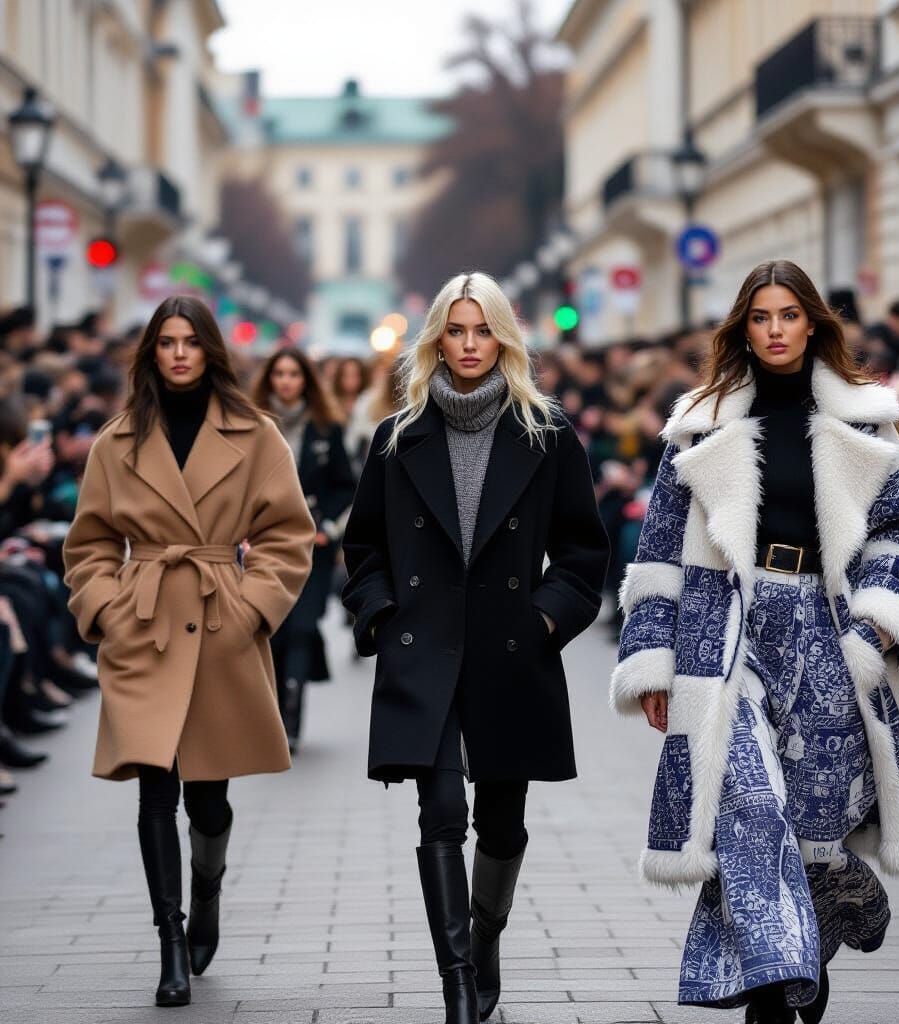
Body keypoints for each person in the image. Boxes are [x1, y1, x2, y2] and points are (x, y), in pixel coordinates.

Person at [610, 260, 899, 1023]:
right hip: (726, 632)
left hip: (828, 634)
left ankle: (820, 914)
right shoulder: (702, 420)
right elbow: (659, 553)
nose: (773, 330)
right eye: (760, 317)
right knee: (749, 807)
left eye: (788, 315)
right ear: (742, 327)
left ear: (812, 323)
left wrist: (877, 628)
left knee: (808, 826)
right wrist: (654, 661)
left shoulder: (864, 419)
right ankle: (772, 991)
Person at [342, 271, 608, 1024]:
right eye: (455, 331)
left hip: (510, 647)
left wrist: (546, 621)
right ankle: (457, 983)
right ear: (436, 339)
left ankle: (484, 939)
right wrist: (379, 615)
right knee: (440, 814)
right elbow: (363, 546)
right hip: (425, 649)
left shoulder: (546, 433)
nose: (468, 345)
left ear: (504, 338)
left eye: (482, 330)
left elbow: (585, 552)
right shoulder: (398, 437)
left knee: (501, 821)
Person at [62, 296, 315, 1008]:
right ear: (151, 353)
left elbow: (287, 534)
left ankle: (207, 889)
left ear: (210, 352)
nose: (178, 353)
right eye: (166, 342)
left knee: (207, 798)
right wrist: (108, 608)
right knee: (154, 786)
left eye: (190, 342)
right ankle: (170, 941)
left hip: (216, 621)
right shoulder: (116, 441)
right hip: (143, 624)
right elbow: (87, 544)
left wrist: (250, 608)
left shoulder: (255, 433)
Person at [253, 347, 355, 750]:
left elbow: (346, 483)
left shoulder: (325, 427)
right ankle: (276, 710)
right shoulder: (250, 425)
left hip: (313, 546)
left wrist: (328, 525)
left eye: (294, 374)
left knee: (302, 624)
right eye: (278, 373)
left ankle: (292, 712)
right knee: (273, 630)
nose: (286, 381)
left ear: (306, 380)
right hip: (265, 545)